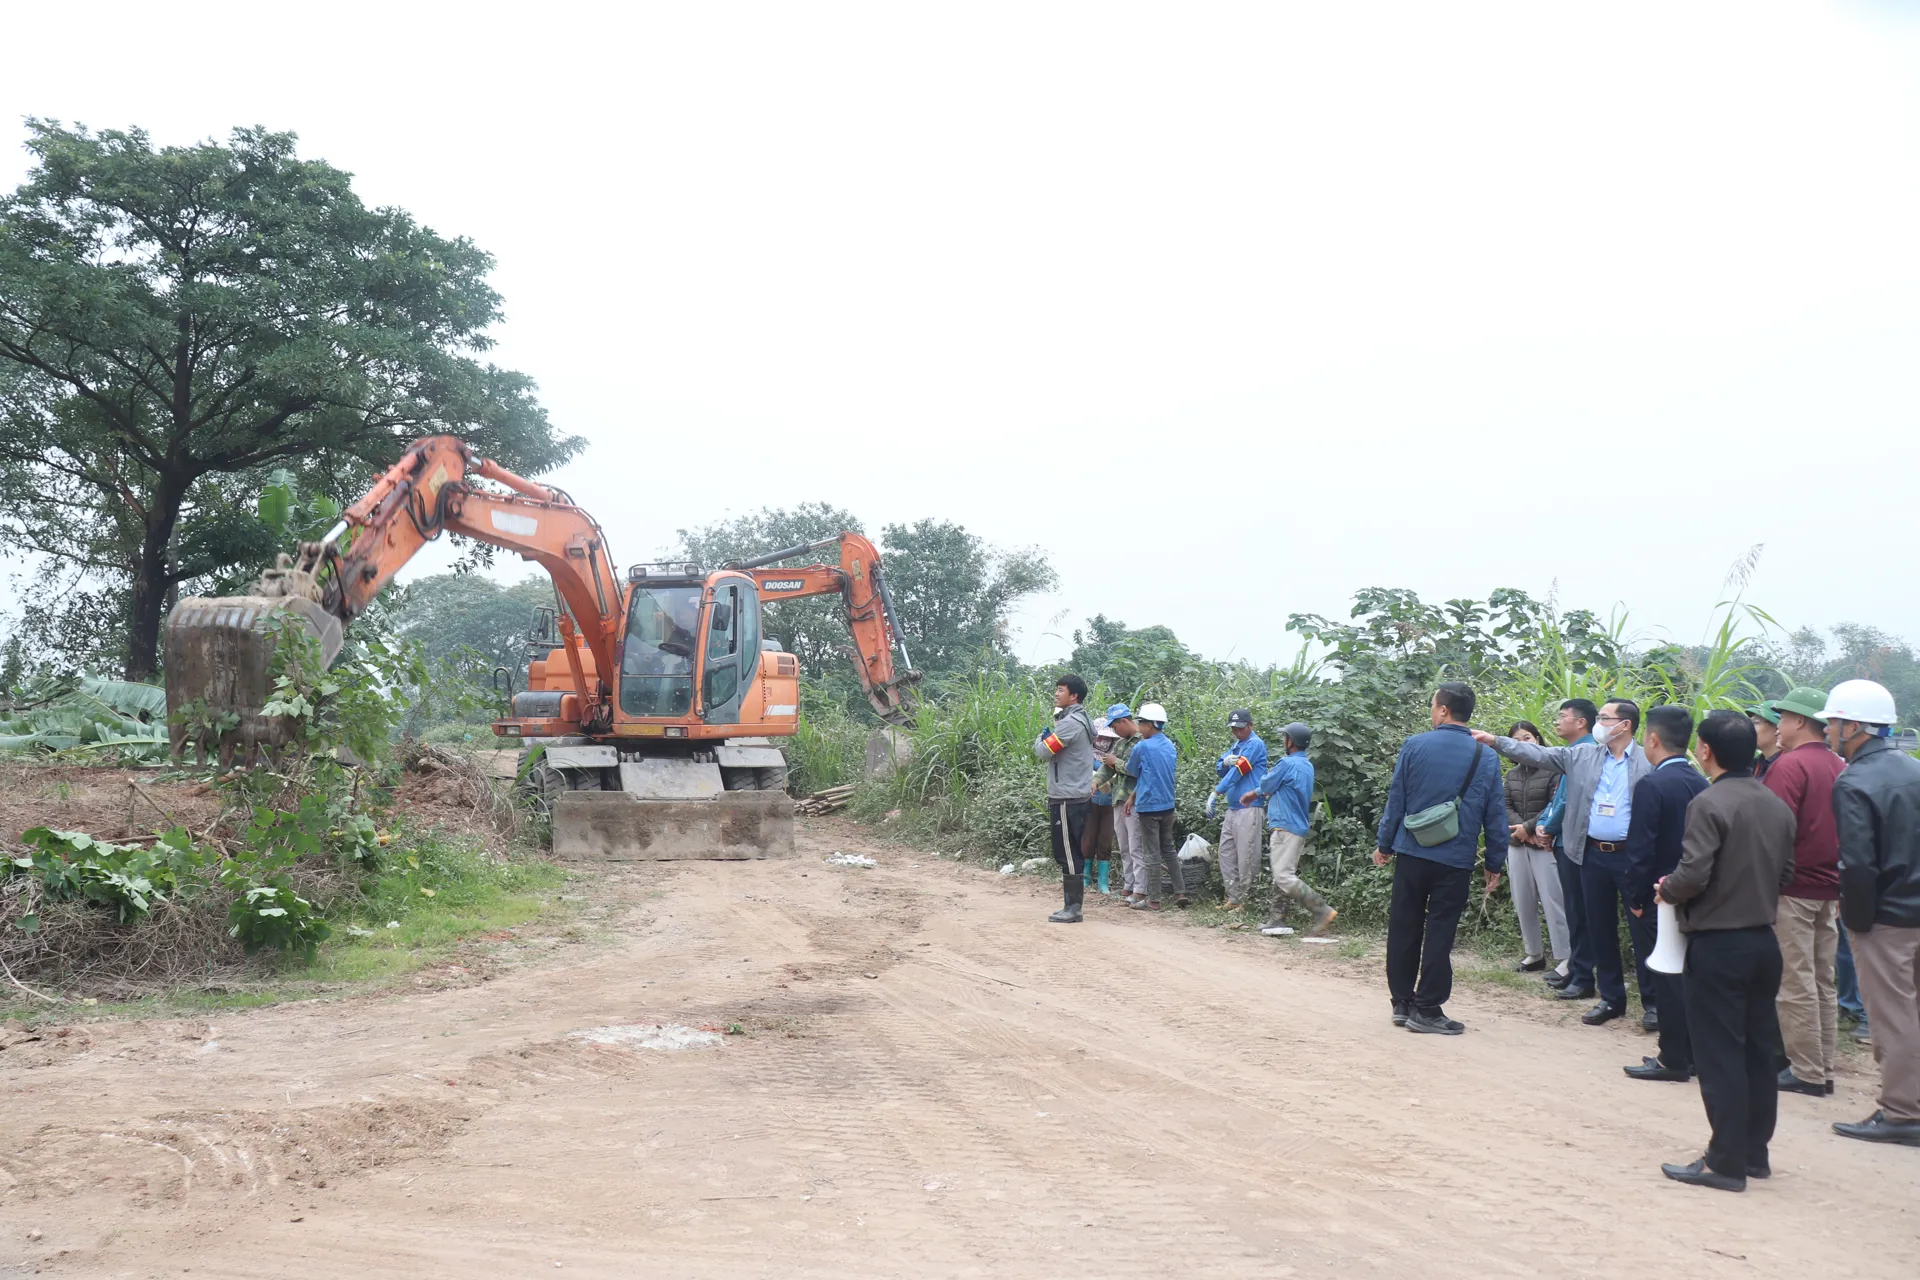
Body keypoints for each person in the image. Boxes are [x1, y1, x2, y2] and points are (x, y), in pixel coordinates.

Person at [1655, 710, 1796, 1192]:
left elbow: (1693, 874)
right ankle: (1754, 1153)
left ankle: (1724, 1162)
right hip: (1763, 940)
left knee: (1718, 1054)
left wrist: (1667, 890)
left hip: (1718, 944)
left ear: (1706, 751)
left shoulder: (1710, 802)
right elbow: (1786, 874)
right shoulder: (1775, 805)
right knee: (1758, 1050)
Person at [1478, 698, 1656, 1028]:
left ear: (1625, 725)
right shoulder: (1583, 755)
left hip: (1633, 857)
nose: (1599, 723)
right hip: (1591, 854)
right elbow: (1539, 754)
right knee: (1598, 927)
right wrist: (1495, 741)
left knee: (1642, 929)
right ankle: (1611, 999)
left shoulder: (1648, 760)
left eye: (1604, 718)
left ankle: (1652, 1004)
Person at [1374, 682, 1508, 1035]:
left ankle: (1402, 1003)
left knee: (1404, 926)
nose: (1432, 712)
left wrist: (1384, 844)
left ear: (1444, 710)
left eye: (1434, 706)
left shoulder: (1414, 745)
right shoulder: (1487, 756)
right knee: (1440, 931)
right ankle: (1428, 1008)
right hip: (1456, 857)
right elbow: (1495, 813)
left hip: (1412, 850)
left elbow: (1397, 800)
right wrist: (1495, 862)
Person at [1820, 679, 1920, 1147]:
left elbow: (1857, 862)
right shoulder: (1912, 769)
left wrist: (1856, 920)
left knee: (1893, 1017)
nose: (1828, 731)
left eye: (1833, 722)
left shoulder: (1855, 780)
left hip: (1886, 916)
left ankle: (1901, 1113)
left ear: (1855, 726)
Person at [1761, 686, 1846, 1099]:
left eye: (1782, 717)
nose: (1778, 726)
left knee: (1795, 980)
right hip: (1830, 888)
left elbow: (1774, 833)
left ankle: (1807, 1071)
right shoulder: (1839, 764)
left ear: (1797, 721)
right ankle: (1823, 1065)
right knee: (1822, 979)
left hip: (1794, 888)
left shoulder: (1790, 766)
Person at [1621, 704, 1709, 1085]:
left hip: (1659, 895)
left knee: (1664, 973)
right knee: (1690, 975)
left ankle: (1672, 1057)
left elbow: (1641, 850)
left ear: (1652, 738)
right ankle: (1691, 1052)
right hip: (1696, 893)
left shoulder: (1653, 785)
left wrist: (1636, 898)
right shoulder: (1701, 783)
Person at [1532, 700, 1599, 999]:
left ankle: (1582, 974)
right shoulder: (1573, 752)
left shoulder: (1584, 752)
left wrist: (1548, 827)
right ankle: (1577, 969)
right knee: (1575, 909)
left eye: (1562, 717)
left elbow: (1567, 800)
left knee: (1578, 909)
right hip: (1565, 838)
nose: (1557, 723)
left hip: (1572, 841)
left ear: (1581, 722)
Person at [1250, 721, 1336, 937]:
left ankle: (1322, 910)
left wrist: (1255, 791)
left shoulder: (1286, 764)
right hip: (1296, 826)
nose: (1283, 741)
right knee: (1282, 873)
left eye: (1285, 737)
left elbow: (1267, 785)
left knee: (1283, 876)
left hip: (1285, 826)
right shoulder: (1306, 765)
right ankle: (1276, 919)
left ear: (1291, 741)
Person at [1501, 719, 1568, 976]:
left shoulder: (1554, 771)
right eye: (1516, 741)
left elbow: (1554, 805)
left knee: (1554, 901)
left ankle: (1565, 957)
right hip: (1517, 844)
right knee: (1522, 900)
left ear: (1538, 740)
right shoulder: (1512, 774)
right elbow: (1505, 806)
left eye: (1527, 738)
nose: (1522, 744)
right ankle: (1534, 954)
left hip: (1544, 844)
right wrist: (1522, 831)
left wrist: (1529, 828)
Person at [1034, 674, 1098, 924]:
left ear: (1074, 696)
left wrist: (1041, 737)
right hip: (1076, 794)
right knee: (1070, 850)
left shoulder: (1070, 724)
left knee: (1068, 852)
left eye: (1061, 690)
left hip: (1066, 796)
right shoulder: (1081, 719)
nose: (1056, 694)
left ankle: (1073, 908)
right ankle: (1072, 905)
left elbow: (1043, 751)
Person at [1126, 702, 1187, 911]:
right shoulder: (1170, 745)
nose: (1139, 727)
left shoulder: (1142, 747)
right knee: (1168, 849)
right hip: (1167, 805)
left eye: (1141, 723)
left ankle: (1153, 899)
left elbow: (1132, 771)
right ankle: (1180, 892)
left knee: (1151, 853)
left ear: (1150, 725)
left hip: (1149, 807)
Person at [1208, 709, 1269, 911]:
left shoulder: (1255, 744)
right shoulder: (1237, 745)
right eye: (1234, 729)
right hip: (1233, 808)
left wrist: (1216, 793)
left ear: (1250, 725)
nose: (1237, 732)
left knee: (1247, 856)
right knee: (1226, 853)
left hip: (1249, 808)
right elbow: (1220, 767)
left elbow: (1239, 771)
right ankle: (1233, 898)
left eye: (1241, 728)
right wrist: (1224, 762)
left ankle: (1246, 901)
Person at [1096, 705, 1145, 906]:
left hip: (1135, 800)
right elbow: (1108, 768)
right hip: (1118, 799)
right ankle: (1129, 885)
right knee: (1124, 846)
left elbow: (1137, 771)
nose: (1114, 731)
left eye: (1115, 726)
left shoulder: (1142, 742)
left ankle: (1141, 889)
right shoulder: (1122, 743)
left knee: (1136, 846)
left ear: (1124, 721)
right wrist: (1096, 781)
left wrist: (1115, 762)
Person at [1082, 717, 1120, 898]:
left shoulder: (1116, 756)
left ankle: (1103, 882)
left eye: (1107, 738)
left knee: (1105, 840)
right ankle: (1085, 877)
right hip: (1089, 801)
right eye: (1100, 738)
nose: (1103, 742)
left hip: (1110, 803)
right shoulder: (1085, 753)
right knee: (1087, 838)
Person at [1750, 701, 1783, 782]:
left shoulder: (1786, 766)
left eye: (1755, 723)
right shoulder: (1756, 763)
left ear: (1777, 727)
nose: (1748, 728)